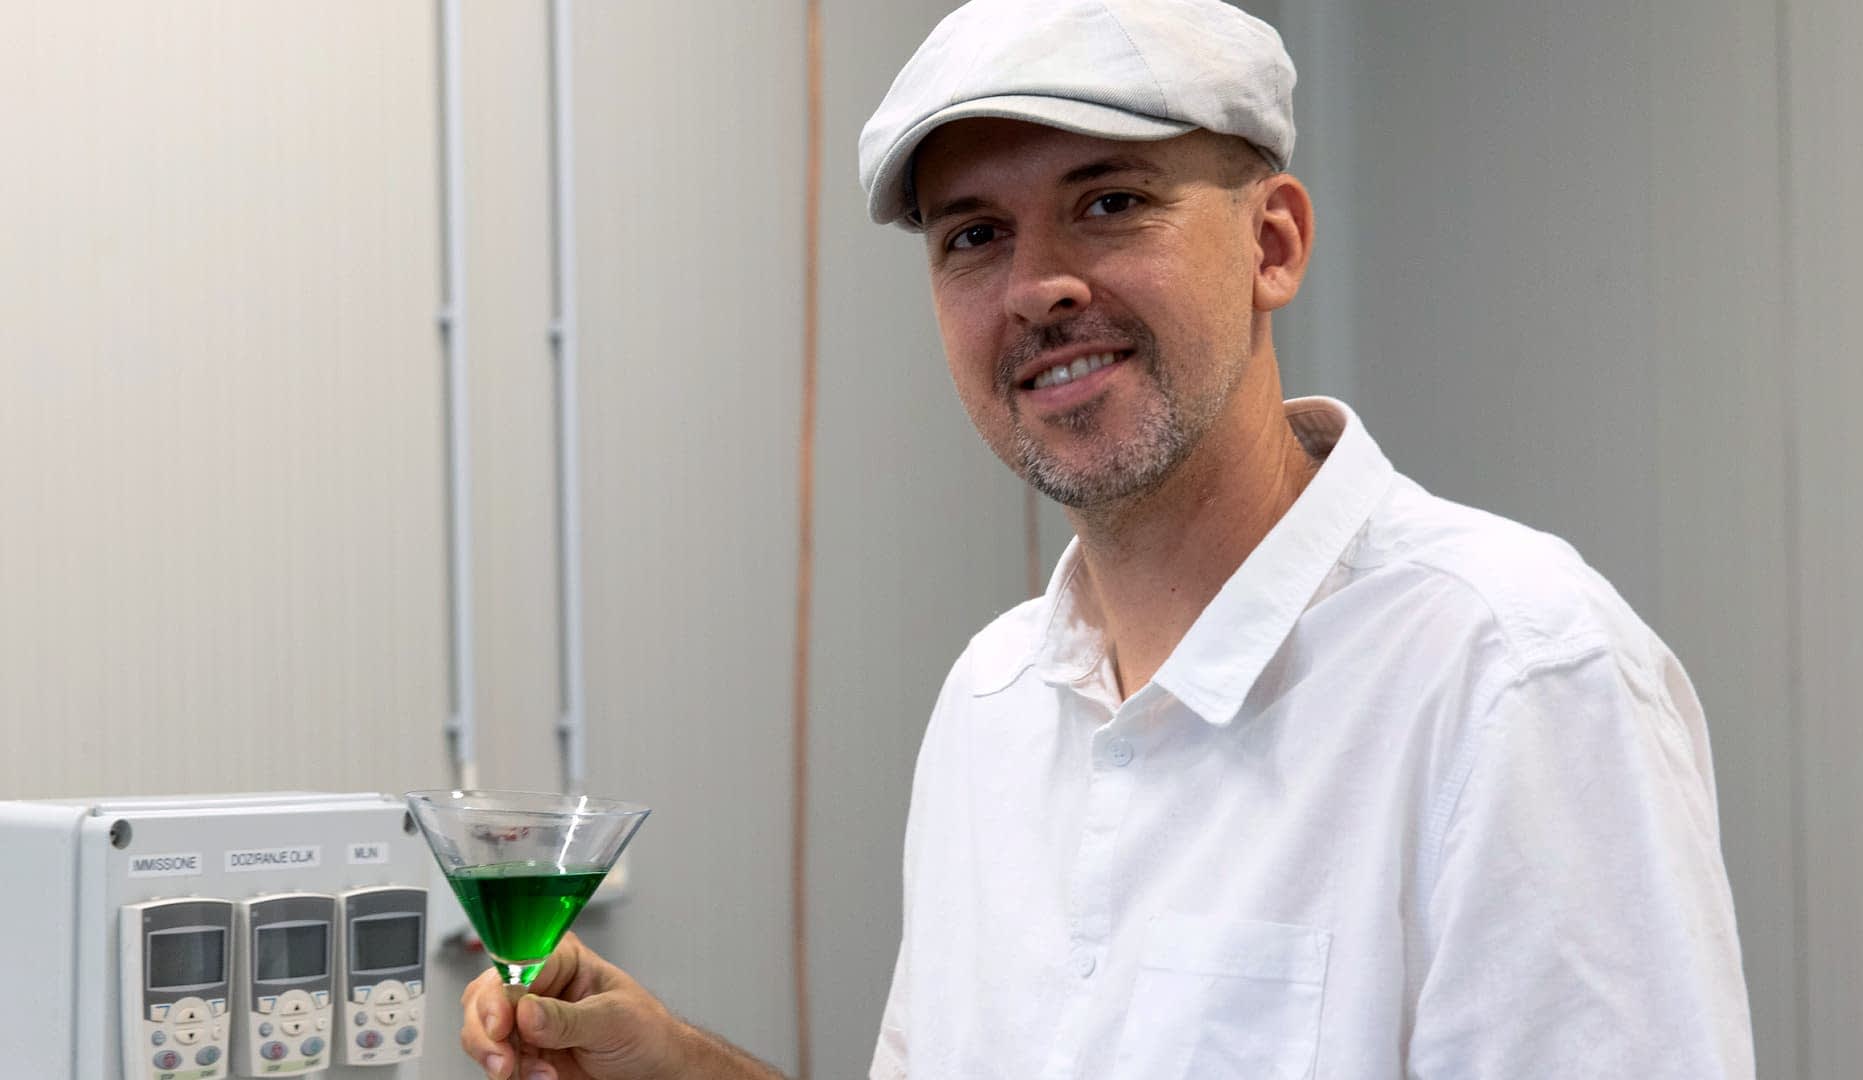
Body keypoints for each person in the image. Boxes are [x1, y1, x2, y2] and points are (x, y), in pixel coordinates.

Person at [461, 0, 1756, 1076]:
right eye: (976, 235)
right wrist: (678, 1066)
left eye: (1112, 202)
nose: (1038, 288)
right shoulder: (992, 703)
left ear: (1274, 243)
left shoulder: (1513, 675)